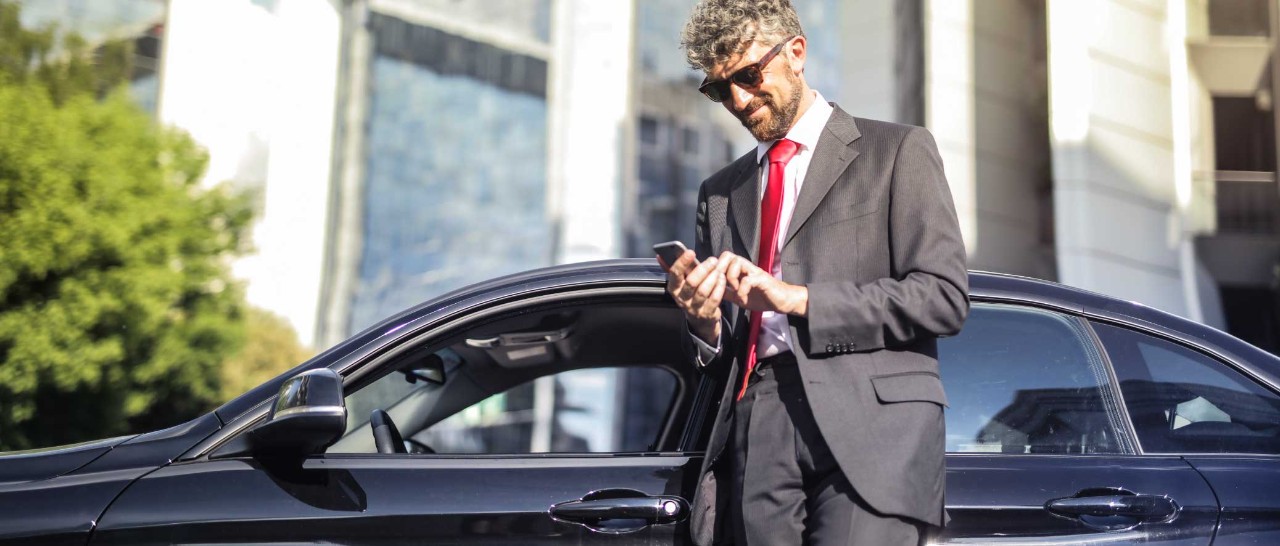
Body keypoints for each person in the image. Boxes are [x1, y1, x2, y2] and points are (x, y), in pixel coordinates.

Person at [659, 1, 969, 544]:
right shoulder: (719, 193)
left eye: (749, 76)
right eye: (718, 88)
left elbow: (942, 298)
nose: (737, 100)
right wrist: (704, 321)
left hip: (873, 425)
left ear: (796, 53)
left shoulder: (896, 151)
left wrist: (796, 298)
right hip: (759, 419)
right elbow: (724, 349)